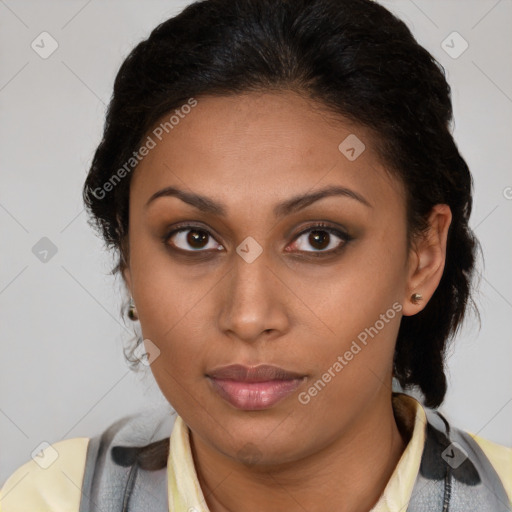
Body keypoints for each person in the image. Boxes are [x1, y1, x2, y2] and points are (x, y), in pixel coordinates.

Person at [1, 0, 511, 510]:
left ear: (421, 257)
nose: (248, 316)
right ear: (129, 259)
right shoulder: (51, 499)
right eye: (194, 238)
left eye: (318, 239)